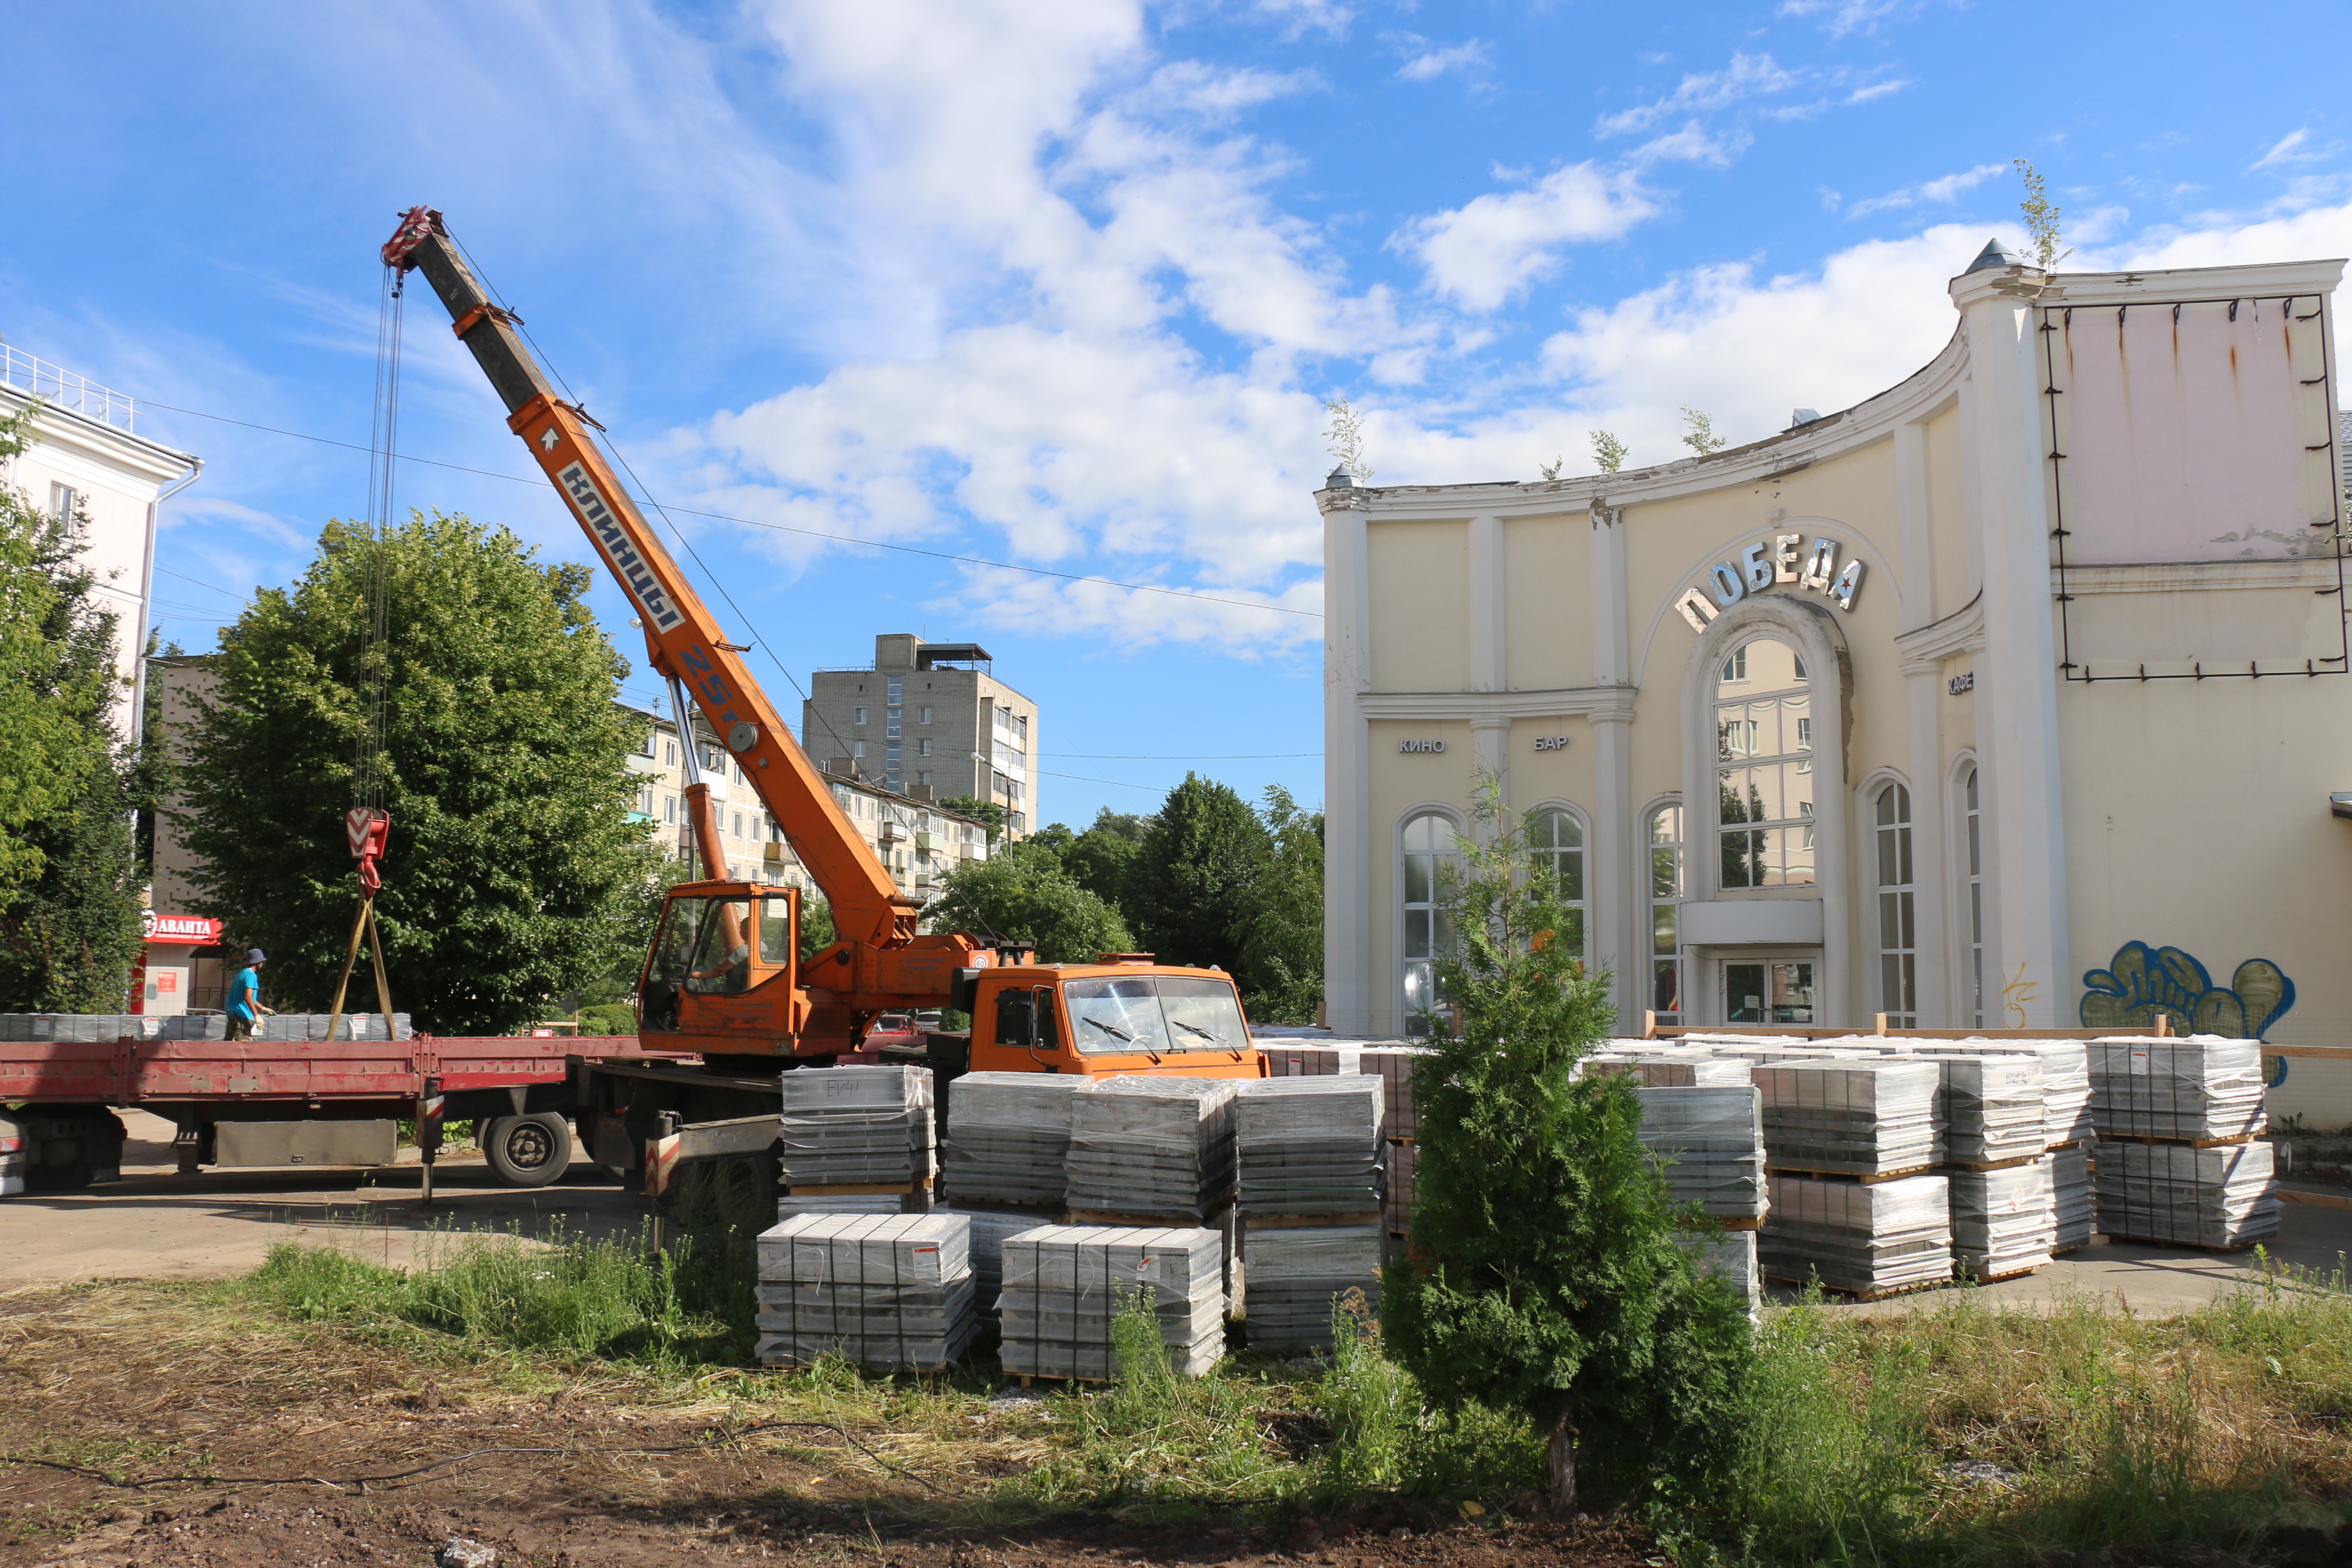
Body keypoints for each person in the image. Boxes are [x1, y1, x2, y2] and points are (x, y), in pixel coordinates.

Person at [226, 948, 274, 1041]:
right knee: (244, 1046)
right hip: (241, 1016)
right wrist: (257, 1016)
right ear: (258, 962)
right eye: (261, 962)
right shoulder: (251, 976)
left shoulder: (242, 973)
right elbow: (248, 997)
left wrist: (263, 1008)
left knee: (229, 1046)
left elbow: (251, 998)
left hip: (233, 1015)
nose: (262, 964)